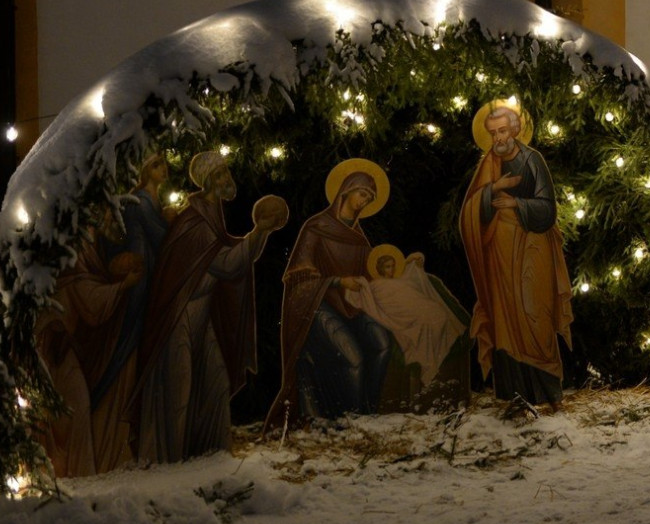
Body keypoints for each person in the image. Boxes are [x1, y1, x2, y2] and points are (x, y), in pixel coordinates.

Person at [133, 151, 286, 463]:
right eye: (219, 175)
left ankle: (213, 453)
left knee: (215, 382)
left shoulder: (211, 215)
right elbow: (227, 264)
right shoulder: (195, 221)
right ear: (207, 181)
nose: (226, 179)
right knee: (179, 391)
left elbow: (231, 250)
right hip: (180, 317)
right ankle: (171, 462)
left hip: (202, 316)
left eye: (225, 172)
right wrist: (258, 232)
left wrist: (262, 232)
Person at [459, 103, 573, 407]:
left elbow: (548, 209)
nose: (498, 138)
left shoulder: (533, 160)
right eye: (493, 133)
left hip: (533, 252)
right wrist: (493, 188)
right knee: (505, 321)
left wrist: (516, 206)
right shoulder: (488, 166)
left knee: (536, 314)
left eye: (503, 131)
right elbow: (470, 211)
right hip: (499, 255)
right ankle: (512, 396)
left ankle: (547, 393)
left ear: (516, 130)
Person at [270, 160, 394, 425]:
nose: (364, 202)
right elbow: (297, 275)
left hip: (351, 305)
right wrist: (337, 281)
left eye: (370, 199)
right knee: (354, 358)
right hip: (319, 305)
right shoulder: (316, 227)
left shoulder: (359, 238)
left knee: (382, 343)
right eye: (362, 194)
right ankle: (350, 421)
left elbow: (369, 272)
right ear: (347, 190)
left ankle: (368, 413)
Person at [34, 208, 142, 477]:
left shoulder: (89, 253)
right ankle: (76, 473)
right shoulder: (75, 254)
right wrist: (123, 286)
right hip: (53, 343)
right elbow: (89, 300)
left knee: (73, 408)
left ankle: (76, 471)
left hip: (62, 342)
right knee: (74, 406)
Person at [90, 153, 170, 468]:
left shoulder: (153, 201)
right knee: (129, 343)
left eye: (164, 165)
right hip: (141, 276)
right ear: (143, 171)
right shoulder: (140, 201)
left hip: (151, 272)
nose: (162, 169)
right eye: (155, 165)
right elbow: (160, 237)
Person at [354, 246, 469, 405]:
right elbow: (375, 301)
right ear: (379, 268)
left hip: (416, 307)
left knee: (438, 314)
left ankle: (431, 357)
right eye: (388, 266)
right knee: (425, 322)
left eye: (393, 265)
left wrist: (414, 257)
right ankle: (427, 363)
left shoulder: (399, 280)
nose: (392, 269)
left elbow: (412, 271)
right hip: (403, 315)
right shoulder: (375, 285)